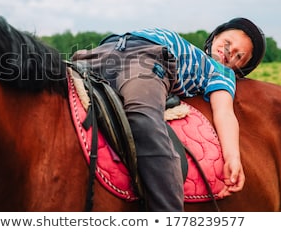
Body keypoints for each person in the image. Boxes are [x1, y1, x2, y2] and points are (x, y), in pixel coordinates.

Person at [71, 17, 266, 211]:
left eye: (238, 56)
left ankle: (167, 214)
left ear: (240, 71)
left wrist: (233, 156)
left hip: (145, 61)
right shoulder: (191, 50)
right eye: (228, 43)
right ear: (214, 37)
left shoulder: (221, 73)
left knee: (144, 121)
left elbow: (224, 111)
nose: (229, 52)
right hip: (103, 51)